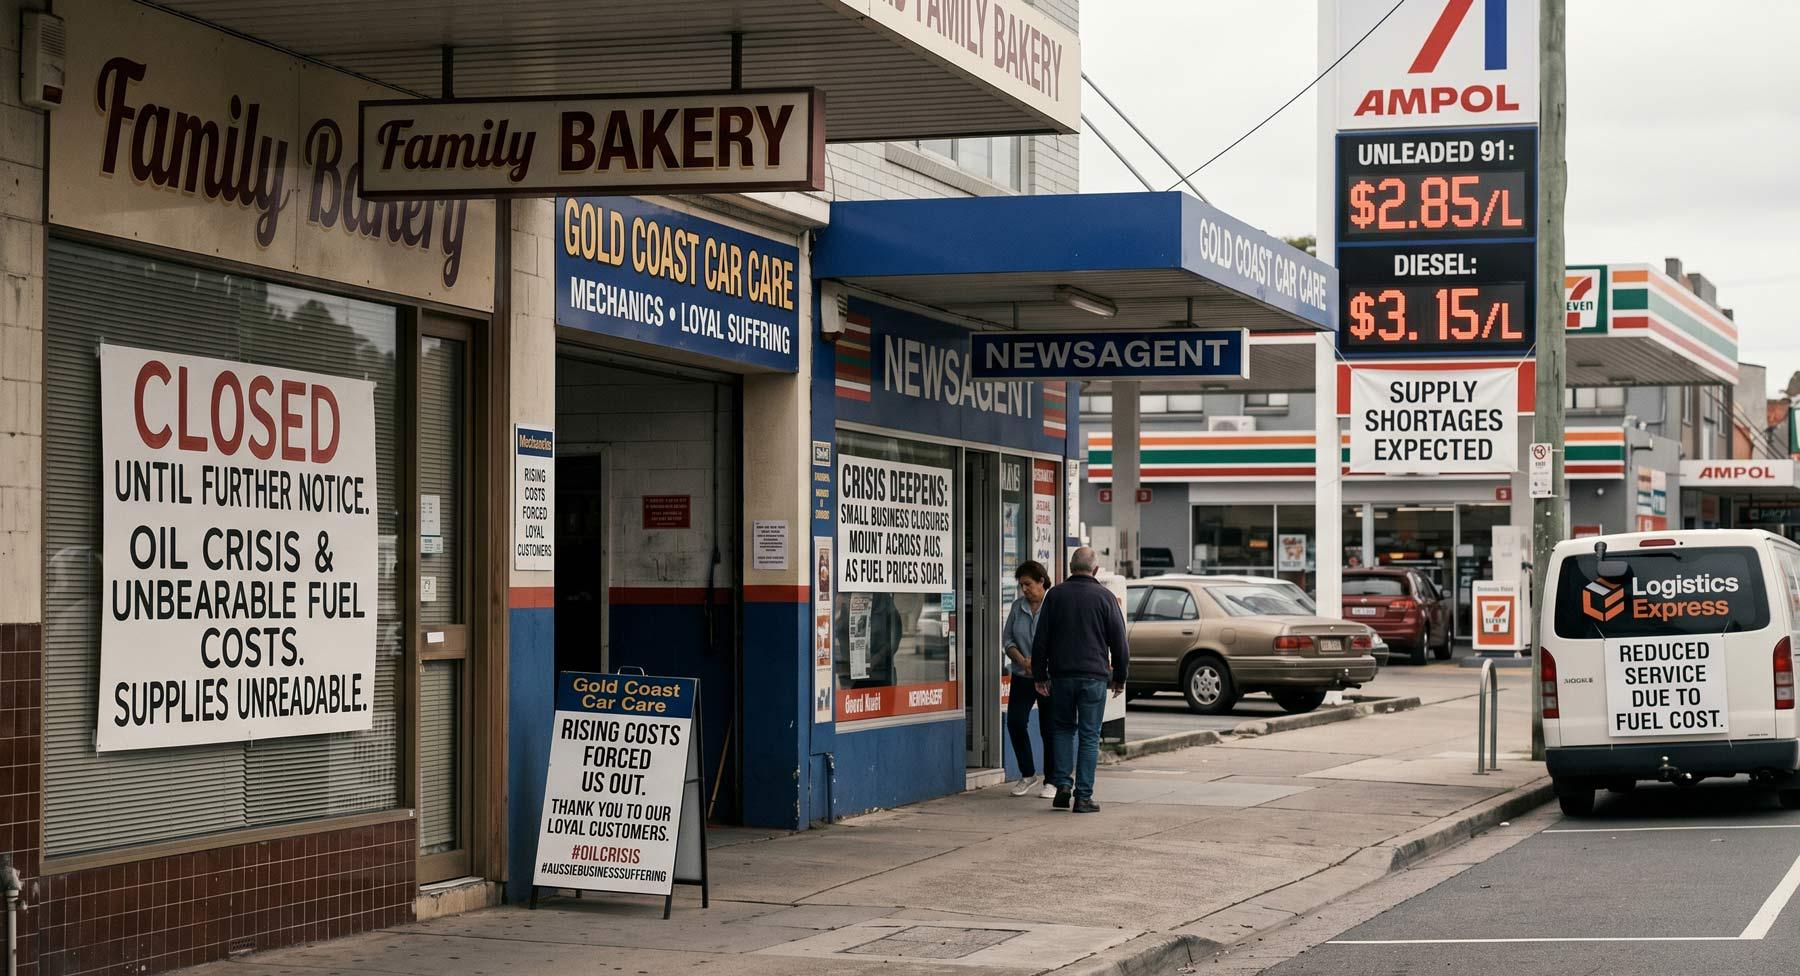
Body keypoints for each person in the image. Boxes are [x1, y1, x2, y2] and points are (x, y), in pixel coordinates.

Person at [1031, 547, 1129, 813]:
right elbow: (1119, 642)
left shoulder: (1055, 595)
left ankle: (1063, 784)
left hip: (1061, 677)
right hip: (1093, 677)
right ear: (1095, 570)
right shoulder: (1105, 597)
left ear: (1070, 568)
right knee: (1089, 736)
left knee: (1062, 730)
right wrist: (1120, 677)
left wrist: (1040, 675)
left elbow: (1041, 639)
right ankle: (1083, 797)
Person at [1003, 560, 1057, 798]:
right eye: (1021, 585)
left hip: (1047, 678)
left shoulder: (1054, 606)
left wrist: (1041, 663)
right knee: (1015, 722)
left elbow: (1061, 640)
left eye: (1028, 584)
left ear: (1041, 581)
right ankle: (1027, 774)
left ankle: (1052, 780)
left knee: (1049, 728)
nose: (1024, 589)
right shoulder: (1018, 607)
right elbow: (1007, 640)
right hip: (1022, 675)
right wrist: (1022, 660)